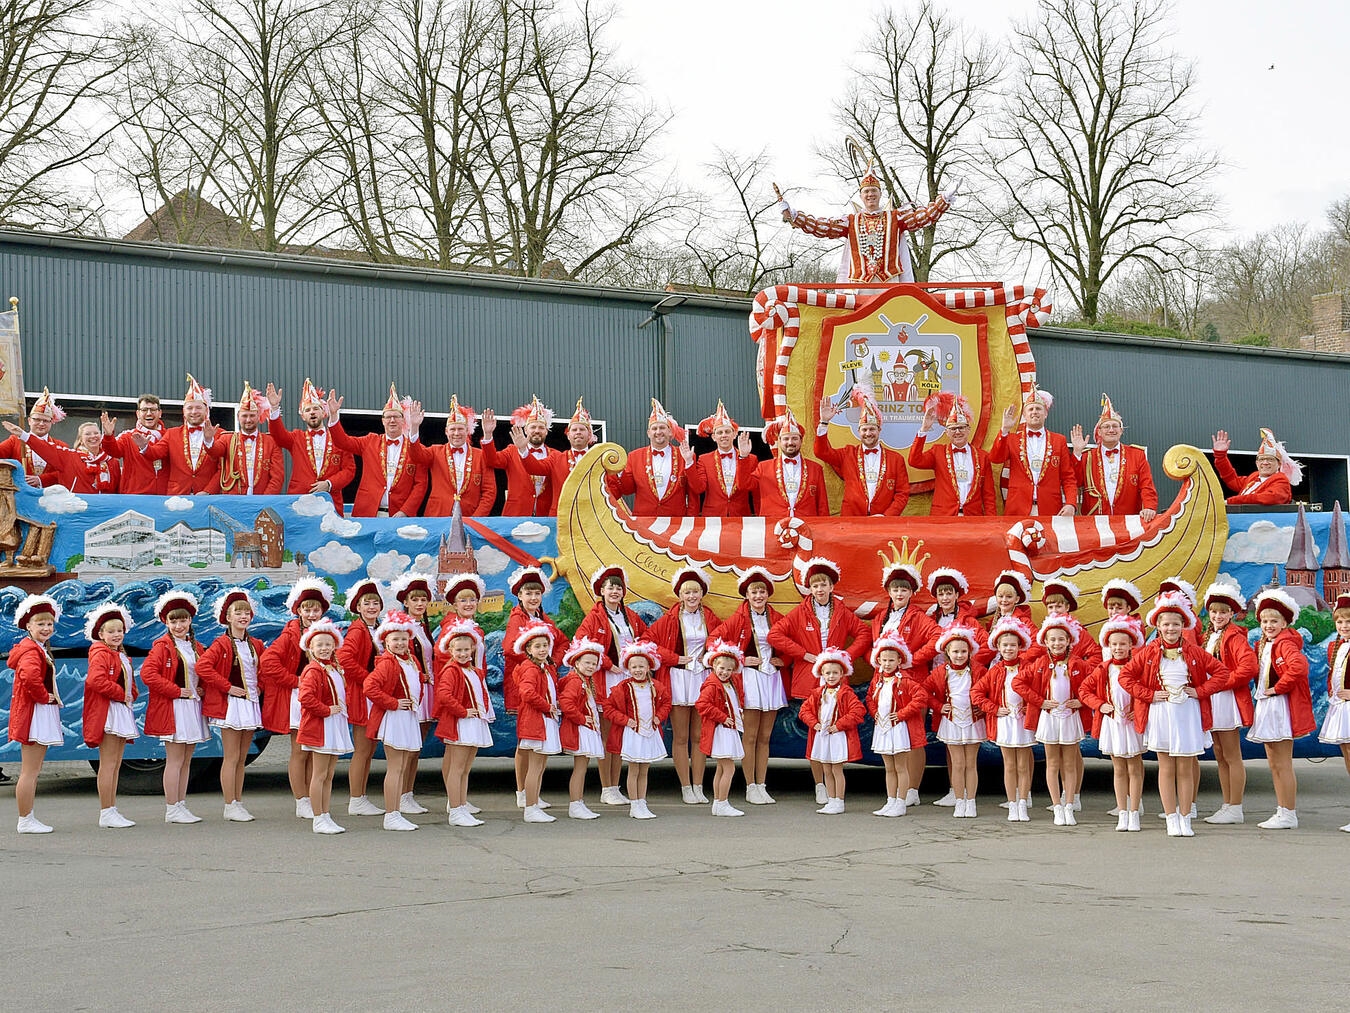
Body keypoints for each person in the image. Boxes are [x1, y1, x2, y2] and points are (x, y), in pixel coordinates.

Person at [1118, 592, 1226, 837]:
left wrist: (1200, 691)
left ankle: (1185, 817)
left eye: (1175, 624)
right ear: (1158, 626)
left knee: (1185, 767)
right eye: (1166, 624)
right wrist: (1148, 694)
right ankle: (1170, 818)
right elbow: (1125, 676)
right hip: (1161, 713)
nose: (1170, 628)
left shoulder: (1194, 651)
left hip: (1187, 713)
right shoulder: (1148, 652)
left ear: (1183, 625)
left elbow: (1221, 673)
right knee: (1166, 767)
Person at [767, 557, 872, 804]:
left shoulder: (842, 611)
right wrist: (803, 654)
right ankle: (819, 785)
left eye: (823, 584)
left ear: (831, 586)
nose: (820, 589)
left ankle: (836, 787)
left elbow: (864, 633)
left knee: (836, 732)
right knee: (815, 735)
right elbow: (775, 634)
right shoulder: (800, 611)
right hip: (810, 680)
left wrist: (845, 657)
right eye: (815, 585)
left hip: (836, 680)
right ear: (810, 589)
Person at [573, 565, 672, 805]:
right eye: (610, 588)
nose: (615, 591)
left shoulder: (629, 616)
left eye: (618, 588)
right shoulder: (594, 617)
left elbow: (646, 638)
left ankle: (616, 786)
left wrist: (639, 657)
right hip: (606, 680)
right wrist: (608, 663)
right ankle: (606, 787)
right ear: (602, 591)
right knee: (607, 735)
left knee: (620, 735)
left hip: (629, 680)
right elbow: (581, 644)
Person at [776, 164, 956, 283]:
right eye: (867, 191)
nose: (870, 194)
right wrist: (794, 216)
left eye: (874, 190)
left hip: (889, 283)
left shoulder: (896, 218)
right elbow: (823, 227)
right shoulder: (850, 221)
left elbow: (922, 217)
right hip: (859, 285)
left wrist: (943, 200)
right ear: (861, 196)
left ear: (880, 194)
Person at [710, 567, 787, 806]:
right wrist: (740, 658)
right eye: (754, 592)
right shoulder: (738, 618)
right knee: (751, 735)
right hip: (751, 679)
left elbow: (791, 642)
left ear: (768, 594)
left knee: (765, 737)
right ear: (747, 594)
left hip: (771, 678)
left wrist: (784, 660)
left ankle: (762, 785)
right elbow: (713, 641)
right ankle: (750, 786)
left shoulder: (777, 617)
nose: (758, 596)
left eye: (762, 591)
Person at [260, 577, 334, 820]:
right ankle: (301, 800)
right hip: (299, 699)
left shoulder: (327, 633)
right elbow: (268, 662)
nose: (312, 614)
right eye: (307, 609)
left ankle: (313, 798)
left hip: (321, 699)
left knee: (316, 750)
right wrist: (296, 680)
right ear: (298, 611)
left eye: (316, 609)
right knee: (300, 750)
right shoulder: (290, 634)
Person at [871, 553, 938, 804]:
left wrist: (912, 659)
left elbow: (937, 638)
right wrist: (876, 662)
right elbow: (874, 646)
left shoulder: (919, 617)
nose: (899, 593)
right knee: (893, 737)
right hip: (885, 683)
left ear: (912, 592)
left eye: (904, 589)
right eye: (895, 589)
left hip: (911, 683)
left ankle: (912, 790)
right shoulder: (881, 617)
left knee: (913, 737)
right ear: (889, 591)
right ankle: (896, 792)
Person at [648, 566, 718, 804]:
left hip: (702, 678)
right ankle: (685, 787)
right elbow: (648, 643)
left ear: (702, 593)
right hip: (678, 679)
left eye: (695, 591)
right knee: (680, 736)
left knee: (698, 735)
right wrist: (674, 658)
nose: (691, 596)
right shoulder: (669, 618)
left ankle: (698, 785)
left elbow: (722, 640)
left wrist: (711, 656)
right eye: (687, 592)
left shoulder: (710, 617)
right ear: (680, 595)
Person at [1247, 588, 1315, 830]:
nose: (1268, 625)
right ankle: (1282, 810)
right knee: (1274, 762)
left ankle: (1288, 813)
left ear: (1285, 623)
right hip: (1267, 705)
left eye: (1274, 621)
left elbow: (1299, 667)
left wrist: (1278, 688)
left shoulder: (1285, 643)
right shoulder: (1265, 644)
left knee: (1282, 762)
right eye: (1265, 621)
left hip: (1279, 707)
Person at [139, 590, 209, 825]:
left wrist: (202, 689)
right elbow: (148, 674)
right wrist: (177, 690)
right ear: (165, 622)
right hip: (175, 708)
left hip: (192, 707)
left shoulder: (196, 646)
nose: (178, 626)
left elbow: (203, 674)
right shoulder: (162, 646)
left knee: (187, 760)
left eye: (183, 620)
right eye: (173, 621)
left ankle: (181, 804)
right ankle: (171, 808)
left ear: (190, 620)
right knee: (175, 759)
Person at [197, 589, 265, 822]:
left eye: (246, 613)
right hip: (232, 706)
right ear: (227, 617)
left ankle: (238, 802)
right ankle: (229, 804)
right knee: (232, 756)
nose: (243, 617)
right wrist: (227, 687)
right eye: (238, 613)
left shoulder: (255, 644)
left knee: (242, 757)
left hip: (250, 703)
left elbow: (263, 670)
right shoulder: (221, 643)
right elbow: (203, 667)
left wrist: (260, 687)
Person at [1015, 616, 1090, 827]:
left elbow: (1093, 686)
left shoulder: (1079, 664)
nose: (1057, 643)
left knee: (1069, 764)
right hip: (1049, 718)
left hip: (1070, 718)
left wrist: (1081, 701)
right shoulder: (1040, 664)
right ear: (1045, 642)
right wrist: (1040, 702)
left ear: (1069, 640)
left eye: (1061, 639)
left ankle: (1069, 805)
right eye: (1052, 640)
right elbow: (1018, 682)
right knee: (1053, 763)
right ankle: (1057, 806)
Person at [501, 565, 567, 808]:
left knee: (540, 740)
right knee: (526, 740)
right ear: (519, 595)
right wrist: (534, 662)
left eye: (537, 593)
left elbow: (562, 642)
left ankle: (533, 792)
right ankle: (522, 791)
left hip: (543, 682)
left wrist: (552, 661)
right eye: (528, 593)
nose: (533, 598)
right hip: (525, 684)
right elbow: (510, 648)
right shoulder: (517, 618)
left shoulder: (544, 619)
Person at [1079, 617, 1147, 831]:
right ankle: (1122, 811)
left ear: (1131, 645)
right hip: (1113, 723)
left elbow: (1147, 691)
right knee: (1118, 768)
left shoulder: (1138, 667)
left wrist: (1139, 710)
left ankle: (1134, 812)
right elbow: (1084, 690)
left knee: (1134, 767)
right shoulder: (1103, 668)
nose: (1118, 648)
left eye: (1122, 644)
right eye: (1114, 644)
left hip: (1132, 724)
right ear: (1108, 646)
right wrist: (1100, 705)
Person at [1200, 583, 1258, 826]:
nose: (1217, 616)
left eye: (1223, 612)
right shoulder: (1209, 636)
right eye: (1214, 611)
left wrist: (1222, 683)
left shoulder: (1235, 636)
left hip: (1225, 699)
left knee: (1232, 754)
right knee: (1220, 754)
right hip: (1213, 699)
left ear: (1232, 613)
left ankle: (1236, 806)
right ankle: (1227, 804)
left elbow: (1249, 667)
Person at [364, 609, 427, 831]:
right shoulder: (388, 663)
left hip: (408, 717)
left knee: (402, 766)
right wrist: (393, 702)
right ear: (386, 641)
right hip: (395, 719)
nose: (400, 643)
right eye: (395, 639)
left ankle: (396, 811)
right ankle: (391, 814)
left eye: (403, 638)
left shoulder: (410, 660)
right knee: (396, 767)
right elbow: (370, 687)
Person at [327, 384, 429, 517]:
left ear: (403, 420)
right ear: (382, 421)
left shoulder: (417, 450)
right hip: (368, 513)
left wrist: (405, 511)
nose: (392, 420)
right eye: (388, 417)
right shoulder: (370, 441)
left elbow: (420, 485)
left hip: (399, 516)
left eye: (396, 416)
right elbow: (342, 442)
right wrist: (333, 416)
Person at [8, 594, 63, 833]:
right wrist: (43, 696)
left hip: (36, 713)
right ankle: (25, 819)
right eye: (40, 624)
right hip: (34, 714)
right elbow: (29, 677)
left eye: (49, 623)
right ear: (28, 626)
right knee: (30, 771)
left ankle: (27, 817)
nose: (46, 628)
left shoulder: (36, 647)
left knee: (32, 770)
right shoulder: (31, 650)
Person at [972, 616, 1037, 823]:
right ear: (998, 647)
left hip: (1023, 722)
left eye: (1013, 645)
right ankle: (1012, 803)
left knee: (1023, 765)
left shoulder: (1028, 667)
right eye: (1005, 645)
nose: (1009, 649)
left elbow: (1039, 691)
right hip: (1005, 722)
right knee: (1009, 765)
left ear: (1020, 646)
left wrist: (1030, 706)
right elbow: (976, 693)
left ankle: (1023, 802)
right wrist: (993, 709)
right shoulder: (995, 670)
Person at [81, 604, 139, 829]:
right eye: (111, 631)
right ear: (101, 634)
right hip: (109, 711)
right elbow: (95, 680)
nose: (117, 634)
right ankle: (106, 811)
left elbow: (128, 682)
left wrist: (131, 693)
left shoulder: (119, 654)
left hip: (119, 709)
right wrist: (121, 694)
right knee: (108, 763)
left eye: (120, 630)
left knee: (115, 764)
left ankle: (111, 809)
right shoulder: (101, 653)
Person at [435, 620, 494, 828]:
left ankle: (461, 807)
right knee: (457, 768)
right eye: (458, 650)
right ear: (450, 650)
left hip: (473, 723)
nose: (462, 654)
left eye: (466, 650)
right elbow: (444, 695)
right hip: (460, 724)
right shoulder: (451, 670)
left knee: (465, 769)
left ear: (473, 649)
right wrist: (462, 711)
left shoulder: (474, 671)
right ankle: (455, 810)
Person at [296, 619, 352, 835]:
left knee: (328, 774)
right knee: (319, 774)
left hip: (333, 724)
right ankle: (318, 817)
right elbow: (305, 698)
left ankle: (325, 814)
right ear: (310, 647)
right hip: (321, 726)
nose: (324, 648)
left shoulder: (333, 668)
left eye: (328, 644)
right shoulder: (313, 670)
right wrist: (326, 710)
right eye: (319, 644)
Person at [604, 640, 671, 820]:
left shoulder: (656, 686)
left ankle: (642, 802)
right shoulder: (623, 687)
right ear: (628, 668)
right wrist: (626, 720)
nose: (638, 670)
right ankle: (634, 805)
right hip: (633, 734)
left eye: (641, 666)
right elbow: (609, 708)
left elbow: (666, 703)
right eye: (633, 667)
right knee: (634, 769)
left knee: (644, 770)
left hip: (649, 732)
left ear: (649, 667)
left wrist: (659, 717)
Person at [334, 578, 384, 817]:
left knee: (370, 749)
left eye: (375, 603)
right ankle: (356, 799)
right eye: (367, 603)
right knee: (363, 749)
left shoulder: (377, 628)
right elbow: (344, 658)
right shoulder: (357, 630)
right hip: (364, 696)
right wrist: (369, 679)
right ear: (358, 607)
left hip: (374, 696)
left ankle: (361, 797)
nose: (371, 607)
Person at [264, 379, 355, 511]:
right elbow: (278, 435)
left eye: (316, 409)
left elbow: (349, 470)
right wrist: (274, 408)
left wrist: (329, 484)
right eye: (307, 410)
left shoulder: (339, 440)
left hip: (330, 502)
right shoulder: (296, 438)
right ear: (303, 416)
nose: (312, 412)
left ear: (323, 413)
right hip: (300, 501)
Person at [388, 572, 437, 815]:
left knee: (416, 747)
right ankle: (399, 796)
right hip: (413, 690)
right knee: (407, 746)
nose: (419, 604)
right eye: (414, 599)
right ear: (405, 602)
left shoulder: (423, 627)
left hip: (427, 690)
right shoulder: (402, 628)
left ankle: (408, 793)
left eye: (423, 599)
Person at [926, 625, 987, 818]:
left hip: (973, 721)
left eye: (963, 651)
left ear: (970, 651)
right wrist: (938, 706)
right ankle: (959, 801)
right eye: (955, 652)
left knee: (971, 764)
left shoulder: (979, 670)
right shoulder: (940, 672)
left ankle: (971, 802)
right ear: (947, 652)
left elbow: (990, 691)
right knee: (958, 764)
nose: (959, 655)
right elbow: (924, 691)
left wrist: (983, 707)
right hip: (951, 722)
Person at [605, 398, 705, 516]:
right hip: (644, 520)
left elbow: (696, 490)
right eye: (654, 428)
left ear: (670, 432)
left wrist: (689, 462)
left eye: (662, 428)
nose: (658, 432)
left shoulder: (684, 456)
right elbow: (627, 490)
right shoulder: (634, 456)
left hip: (676, 520)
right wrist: (619, 472)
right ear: (648, 433)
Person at [814, 393, 908, 516]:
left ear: (879, 430)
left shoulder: (896, 459)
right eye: (864, 429)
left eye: (872, 429)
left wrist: (887, 516)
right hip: (851, 520)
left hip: (883, 521)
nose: (868, 433)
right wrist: (824, 422)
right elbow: (821, 452)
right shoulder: (847, 454)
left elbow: (902, 493)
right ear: (859, 431)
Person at [990, 383, 1077, 516]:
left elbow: (1068, 477)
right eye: (1030, 409)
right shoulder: (1012, 439)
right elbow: (996, 458)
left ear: (1046, 413)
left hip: (1050, 508)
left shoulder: (1059, 440)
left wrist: (1071, 503)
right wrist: (1004, 430)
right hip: (1019, 508)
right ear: (1024, 415)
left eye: (1038, 409)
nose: (1034, 412)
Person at [1070, 393, 1157, 521]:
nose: (1111, 430)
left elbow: (1146, 486)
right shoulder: (1087, 456)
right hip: (1095, 522)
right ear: (1099, 432)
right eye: (1106, 426)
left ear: (1121, 431)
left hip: (1129, 521)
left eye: (1115, 426)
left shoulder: (1137, 455)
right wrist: (1077, 452)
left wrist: (1149, 507)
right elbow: (1074, 482)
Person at [866, 637, 928, 817]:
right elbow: (870, 698)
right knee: (889, 768)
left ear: (900, 661)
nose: (887, 664)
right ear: (878, 660)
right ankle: (890, 800)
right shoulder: (878, 680)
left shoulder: (905, 680)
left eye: (891, 660)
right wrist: (874, 713)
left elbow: (921, 697)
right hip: (883, 727)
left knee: (901, 767)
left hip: (899, 728)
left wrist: (902, 714)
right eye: (884, 660)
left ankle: (901, 802)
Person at [131, 374, 224, 494]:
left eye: (198, 408)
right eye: (189, 408)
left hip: (208, 496)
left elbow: (222, 468)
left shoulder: (220, 434)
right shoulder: (172, 433)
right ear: (183, 411)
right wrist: (145, 446)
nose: (194, 412)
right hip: (178, 495)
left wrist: (208, 491)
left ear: (206, 410)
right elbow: (156, 453)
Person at [798, 650, 864, 814]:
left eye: (835, 673)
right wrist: (814, 724)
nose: (831, 676)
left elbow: (858, 711)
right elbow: (804, 711)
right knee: (826, 769)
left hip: (837, 736)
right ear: (822, 674)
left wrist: (839, 725)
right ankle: (831, 800)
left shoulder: (846, 693)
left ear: (842, 674)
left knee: (836, 769)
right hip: (823, 736)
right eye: (828, 673)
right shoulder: (817, 693)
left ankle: (839, 801)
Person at [514, 622, 563, 824]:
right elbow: (527, 692)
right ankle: (531, 808)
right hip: (536, 722)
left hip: (544, 720)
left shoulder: (545, 668)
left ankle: (534, 803)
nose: (542, 650)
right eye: (537, 646)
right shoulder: (531, 669)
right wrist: (546, 706)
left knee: (540, 766)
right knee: (535, 767)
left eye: (545, 645)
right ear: (528, 649)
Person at [696, 640, 748, 817]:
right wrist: (723, 717)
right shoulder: (712, 685)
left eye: (729, 669)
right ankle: (723, 803)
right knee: (729, 768)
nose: (725, 672)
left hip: (728, 729)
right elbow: (702, 705)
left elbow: (735, 700)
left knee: (721, 767)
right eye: (722, 668)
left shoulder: (730, 683)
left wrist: (739, 712)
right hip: (721, 730)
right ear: (713, 666)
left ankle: (718, 803)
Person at [520, 396, 598, 516]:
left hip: (591, 516)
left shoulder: (599, 458)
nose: (578, 432)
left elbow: (613, 489)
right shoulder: (556, 458)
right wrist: (523, 450)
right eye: (574, 430)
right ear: (568, 435)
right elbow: (535, 468)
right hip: (561, 517)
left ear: (589, 435)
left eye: (582, 429)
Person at [421, 394, 496, 516]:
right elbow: (416, 455)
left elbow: (489, 492)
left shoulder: (481, 455)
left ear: (467, 431)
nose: (456, 433)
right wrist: (413, 428)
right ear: (446, 432)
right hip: (437, 516)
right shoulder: (435, 451)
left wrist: (476, 519)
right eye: (452, 429)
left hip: (470, 517)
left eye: (460, 429)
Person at [480, 396, 555, 516]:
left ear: (546, 431)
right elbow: (491, 460)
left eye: (541, 427)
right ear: (525, 430)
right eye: (533, 427)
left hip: (545, 516)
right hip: (516, 514)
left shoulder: (556, 455)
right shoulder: (512, 451)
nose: (537, 431)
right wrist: (488, 434)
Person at [557, 637, 607, 820]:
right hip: (580, 730)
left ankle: (578, 803)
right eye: (587, 662)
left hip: (585, 729)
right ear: (576, 663)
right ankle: (575, 804)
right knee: (580, 769)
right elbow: (566, 703)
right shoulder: (575, 681)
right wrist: (581, 718)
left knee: (582, 768)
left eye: (594, 663)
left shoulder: (584, 680)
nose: (591, 666)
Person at [6, 419, 119, 493]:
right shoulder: (69, 456)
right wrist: (23, 435)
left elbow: (117, 489)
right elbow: (46, 448)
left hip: (104, 510)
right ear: (80, 439)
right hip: (77, 510)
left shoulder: (112, 461)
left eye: (96, 433)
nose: (93, 436)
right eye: (87, 434)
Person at [753, 408, 829, 518]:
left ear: (801, 441)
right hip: (774, 525)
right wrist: (743, 457)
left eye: (794, 438)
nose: (790, 442)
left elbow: (822, 505)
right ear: (780, 441)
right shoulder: (763, 467)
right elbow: (744, 485)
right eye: (786, 439)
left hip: (806, 525)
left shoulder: (816, 468)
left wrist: (823, 527)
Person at [213, 382, 284, 496]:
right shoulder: (227, 439)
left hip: (263, 500)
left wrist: (265, 500)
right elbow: (214, 451)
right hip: (234, 500)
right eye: (244, 416)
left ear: (258, 416)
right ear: (238, 417)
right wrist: (208, 440)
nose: (248, 420)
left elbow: (277, 477)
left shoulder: (271, 442)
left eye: (252, 415)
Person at [1318, 593, 1350, 833]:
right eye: (1340, 621)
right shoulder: (1337, 646)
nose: (1344, 626)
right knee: (1347, 754)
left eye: (1348, 621)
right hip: (1341, 706)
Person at [693, 399, 756, 517]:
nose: (724, 435)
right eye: (720, 432)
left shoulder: (751, 459)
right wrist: (688, 463)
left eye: (727, 431)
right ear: (713, 437)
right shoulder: (704, 460)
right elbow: (698, 488)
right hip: (713, 517)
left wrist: (743, 457)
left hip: (741, 516)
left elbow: (752, 488)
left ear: (734, 434)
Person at [0, 388, 70, 489]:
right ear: (29, 421)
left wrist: (41, 480)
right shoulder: (15, 441)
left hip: (50, 495)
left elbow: (67, 471)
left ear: (51, 423)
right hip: (20, 493)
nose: (41, 424)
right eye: (37, 419)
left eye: (45, 421)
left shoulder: (61, 446)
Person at [1211, 427, 1298, 505]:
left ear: (1279, 464)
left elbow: (1270, 498)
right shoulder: (1254, 477)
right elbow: (1232, 480)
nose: (1265, 463)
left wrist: (1231, 501)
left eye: (1270, 459)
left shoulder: (1281, 480)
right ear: (1257, 463)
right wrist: (1220, 455)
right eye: (1261, 459)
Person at [102, 394, 168, 494]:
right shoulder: (128, 436)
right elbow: (113, 451)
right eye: (144, 410)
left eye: (153, 410)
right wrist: (108, 436)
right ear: (138, 414)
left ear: (160, 413)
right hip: (134, 496)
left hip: (164, 496)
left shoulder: (169, 436)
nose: (149, 413)